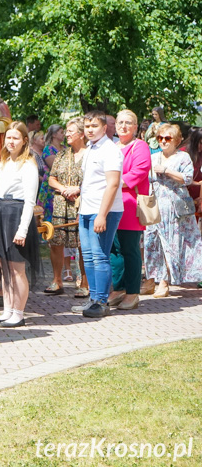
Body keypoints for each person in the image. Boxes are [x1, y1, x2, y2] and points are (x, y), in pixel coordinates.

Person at [0, 122, 40, 327]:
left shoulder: (28, 164)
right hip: (1, 215)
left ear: (25, 140)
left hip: (16, 215)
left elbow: (30, 200)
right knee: (3, 266)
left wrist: (22, 229)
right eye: (8, 137)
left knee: (17, 268)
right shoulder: (5, 162)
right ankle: (7, 310)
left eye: (16, 138)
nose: (11, 141)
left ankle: (19, 312)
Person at [73, 111, 123, 318]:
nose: (90, 130)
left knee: (100, 256)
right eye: (87, 126)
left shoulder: (110, 150)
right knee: (89, 256)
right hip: (87, 209)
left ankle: (102, 301)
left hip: (104, 211)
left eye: (94, 126)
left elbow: (112, 184)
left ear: (104, 128)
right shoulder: (90, 149)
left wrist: (102, 214)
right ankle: (93, 298)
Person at [144, 124, 202, 296]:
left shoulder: (183, 157)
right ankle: (150, 279)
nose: (163, 141)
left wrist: (167, 171)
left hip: (175, 208)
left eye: (167, 138)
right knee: (151, 242)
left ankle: (164, 282)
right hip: (155, 207)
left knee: (171, 243)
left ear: (176, 141)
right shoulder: (154, 157)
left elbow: (187, 178)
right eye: (160, 138)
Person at [108, 110, 151, 311]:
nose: (123, 126)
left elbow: (139, 172)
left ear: (135, 127)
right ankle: (118, 288)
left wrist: (113, 183)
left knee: (130, 250)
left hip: (130, 206)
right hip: (111, 205)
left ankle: (133, 293)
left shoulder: (140, 147)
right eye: (120, 122)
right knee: (114, 250)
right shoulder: (112, 147)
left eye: (128, 123)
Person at [44, 117, 86, 295]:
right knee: (56, 241)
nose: (67, 134)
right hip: (61, 204)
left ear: (82, 134)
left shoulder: (90, 154)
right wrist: (63, 189)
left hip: (82, 203)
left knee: (83, 243)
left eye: (71, 131)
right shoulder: (62, 155)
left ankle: (84, 282)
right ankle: (57, 280)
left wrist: (77, 189)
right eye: (66, 131)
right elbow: (51, 178)